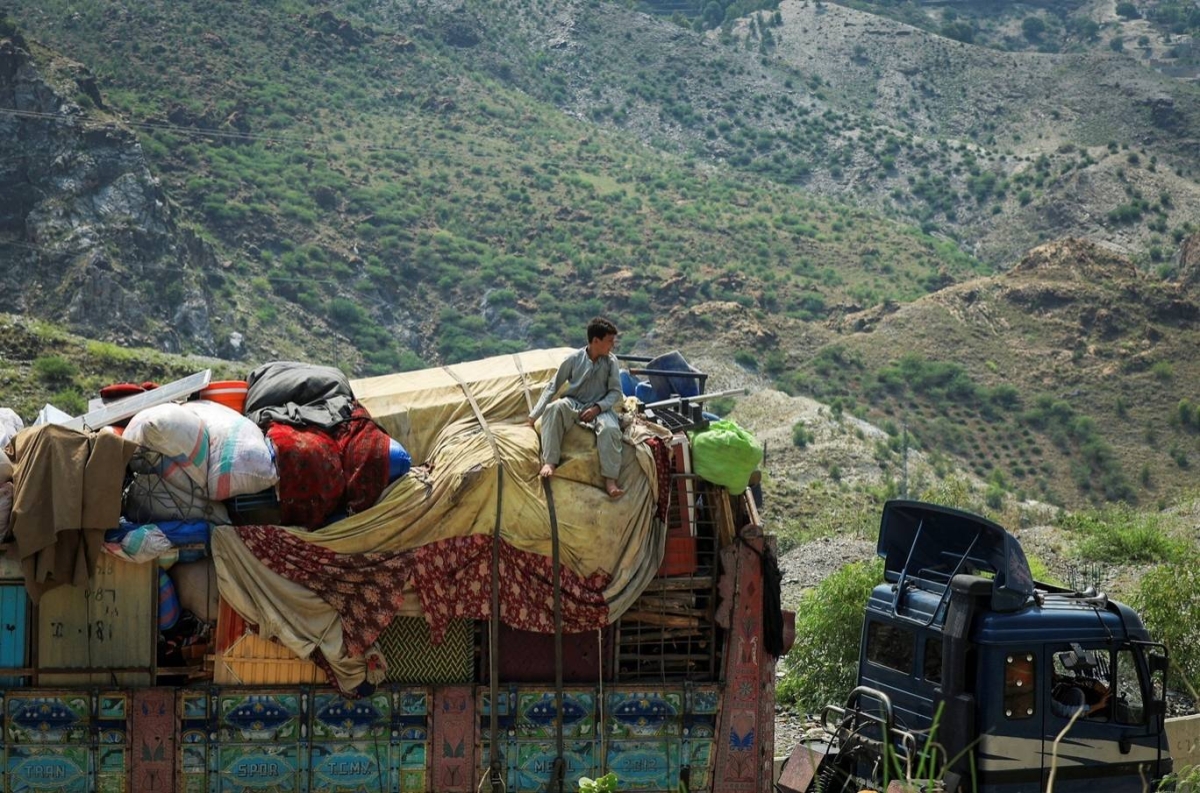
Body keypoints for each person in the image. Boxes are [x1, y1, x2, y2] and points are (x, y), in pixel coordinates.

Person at [528, 317, 626, 498]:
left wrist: (597, 408)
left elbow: (615, 392)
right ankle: (550, 462)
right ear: (595, 341)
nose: (612, 345)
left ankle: (610, 481)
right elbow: (552, 387)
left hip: (601, 407)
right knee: (554, 409)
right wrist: (534, 416)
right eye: (609, 341)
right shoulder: (573, 359)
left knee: (610, 430)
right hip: (575, 403)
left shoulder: (611, 362)